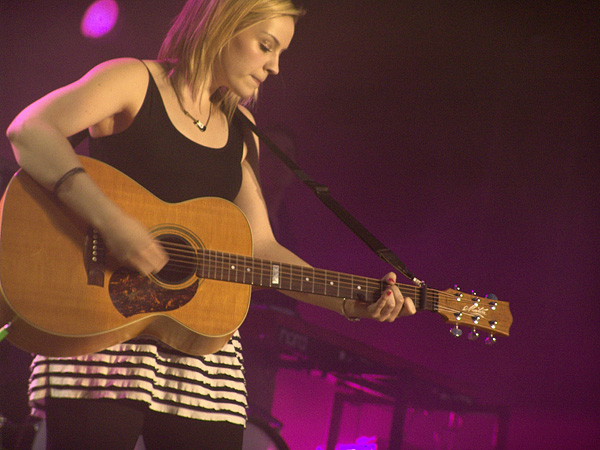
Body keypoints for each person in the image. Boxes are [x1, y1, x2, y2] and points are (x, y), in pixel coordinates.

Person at [6, 0, 416, 448]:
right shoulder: (133, 81)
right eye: (266, 46)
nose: (275, 66)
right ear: (223, 26)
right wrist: (111, 221)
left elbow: (259, 247)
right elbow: (31, 130)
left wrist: (346, 301)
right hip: (99, 330)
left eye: (280, 53)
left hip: (202, 356)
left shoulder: (242, 129)